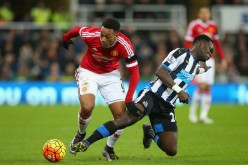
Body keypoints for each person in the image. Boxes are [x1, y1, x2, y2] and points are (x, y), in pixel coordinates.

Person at [71, 34, 214, 157]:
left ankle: (151, 132)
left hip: (167, 106)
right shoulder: (181, 53)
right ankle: (87, 142)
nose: (210, 54)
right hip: (152, 95)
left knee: (171, 150)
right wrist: (179, 91)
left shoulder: (195, 65)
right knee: (126, 119)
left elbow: (188, 72)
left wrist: (202, 70)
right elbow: (161, 72)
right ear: (201, 45)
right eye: (210, 50)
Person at [62, 17, 140, 161]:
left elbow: (135, 72)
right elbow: (78, 30)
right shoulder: (92, 35)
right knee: (87, 107)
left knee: (122, 117)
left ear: (116, 35)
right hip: (88, 72)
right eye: (101, 35)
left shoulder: (125, 45)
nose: (103, 39)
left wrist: (129, 99)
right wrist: (65, 38)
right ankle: (81, 133)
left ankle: (108, 148)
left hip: (111, 76)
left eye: (107, 36)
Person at [185, 7, 226, 124]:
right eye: (202, 12)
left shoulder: (213, 26)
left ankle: (203, 116)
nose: (204, 14)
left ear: (209, 14)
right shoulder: (194, 25)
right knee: (202, 86)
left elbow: (217, 44)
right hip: (198, 59)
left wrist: (222, 59)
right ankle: (192, 113)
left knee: (208, 87)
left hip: (210, 59)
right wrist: (189, 57)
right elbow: (188, 41)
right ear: (199, 14)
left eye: (206, 13)